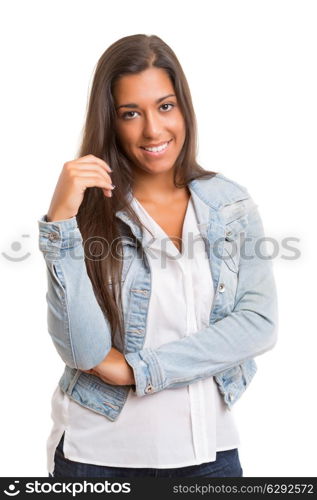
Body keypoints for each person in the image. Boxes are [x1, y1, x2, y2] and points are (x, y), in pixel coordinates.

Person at [38, 34, 278, 478]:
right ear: (111, 121)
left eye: (165, 106)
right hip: (98, 457)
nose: (153, 130)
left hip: (211, 455)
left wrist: (138, 371)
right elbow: (83, 350)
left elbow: (258, 325)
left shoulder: (229, 204)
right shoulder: (88, 215)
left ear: (184, 107)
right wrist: (60, 225)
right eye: (131, 113)